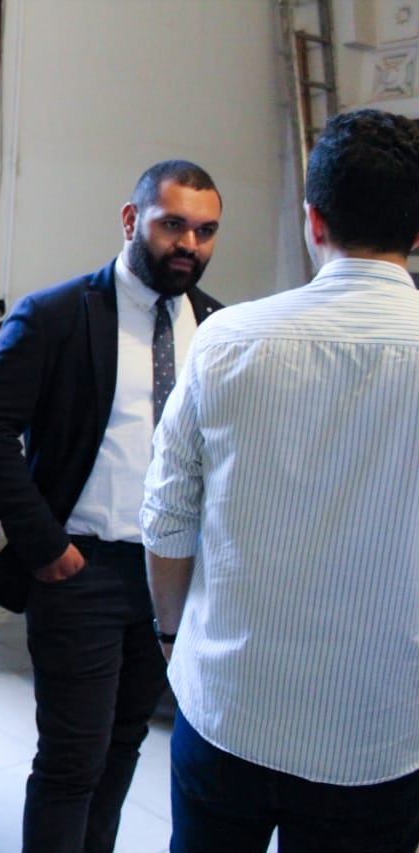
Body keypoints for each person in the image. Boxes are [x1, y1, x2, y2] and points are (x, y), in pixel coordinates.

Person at [141, 109, 419, 853]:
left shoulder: (228, 339)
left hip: (231, 704)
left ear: (313, 219)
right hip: (380, 730)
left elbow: (168, 514)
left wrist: (171, 634)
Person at [0, 161, 224, 853]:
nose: (188, 244)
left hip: (173, 575)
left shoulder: (219, 326)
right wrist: (44, 544)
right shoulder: (58, 315)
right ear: (132, 220)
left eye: (205, 231)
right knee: (73, 760)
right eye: (172, 224)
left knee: (125, 743)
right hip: (84, 570)